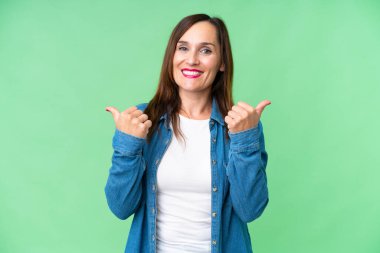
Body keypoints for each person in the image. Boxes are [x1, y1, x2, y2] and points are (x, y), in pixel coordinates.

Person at [104, 13, 271, 253]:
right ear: (172, 56)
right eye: (183, 48)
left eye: (206, 51)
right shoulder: (142, 121)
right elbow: (120, 207)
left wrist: (244, 141)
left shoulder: (239, 125)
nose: (192, 60)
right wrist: (128, 145)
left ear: (222, 62)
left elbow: (250, 209)